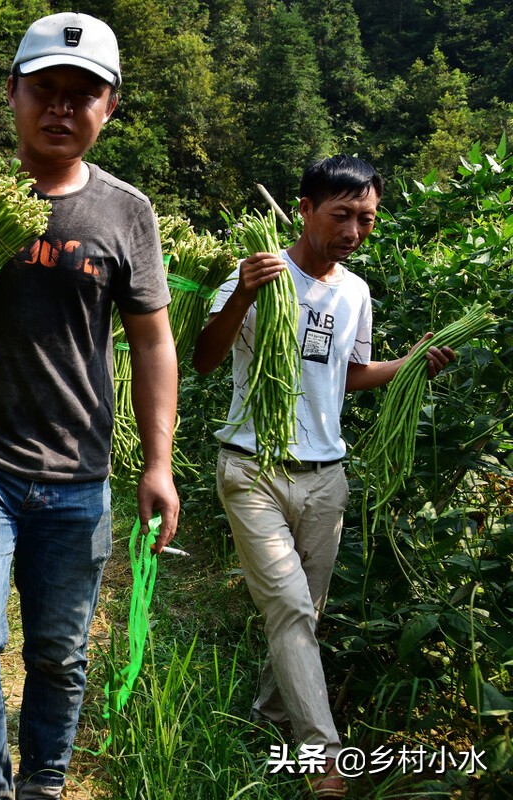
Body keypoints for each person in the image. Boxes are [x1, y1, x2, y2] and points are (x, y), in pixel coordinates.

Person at [0, 12, 180, 800]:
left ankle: (44, 784)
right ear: (12, 92)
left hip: (77, 474)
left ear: (111, 107)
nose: (61, 108)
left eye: (83, 94)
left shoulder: (126, 211)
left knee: (59, 656)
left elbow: (152, 342)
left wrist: (160, 464)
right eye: (45, 90)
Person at [191, 155, 456, 798]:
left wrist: (411, 363)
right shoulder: (258, 273)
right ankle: (323, 759)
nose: (353, 231)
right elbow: (203, 359)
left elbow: (350, 374)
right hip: (253, 467)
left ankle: (268, 717)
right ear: (306, 209)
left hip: (325, 475)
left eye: (366, 219)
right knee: (288, 608)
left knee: (302, 614)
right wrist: (244, 294)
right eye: (342, 215)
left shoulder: (355, 292)